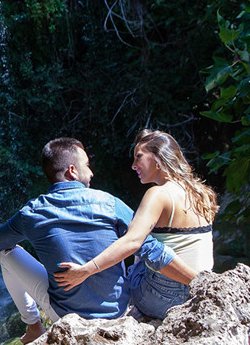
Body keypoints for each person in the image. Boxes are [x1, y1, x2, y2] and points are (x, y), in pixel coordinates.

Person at [0, 137, 195, 344]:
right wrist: (199, 281)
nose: (91, 172)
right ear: (72, 171)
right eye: (87, 165)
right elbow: (153, 250)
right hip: (118, 312)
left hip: (67, 317)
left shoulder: (31, 212)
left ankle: (33, 325)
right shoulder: (110, 203)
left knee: (6, 254)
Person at [55, 129, 217, 318]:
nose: (133, 165)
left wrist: (86, 270)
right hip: (202, 288)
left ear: (158, 157)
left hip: (166, 296)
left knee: (140, 241)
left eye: (138, 157)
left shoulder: (159, 194)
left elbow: (132, 242)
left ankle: (119, 310)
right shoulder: (201, 192)